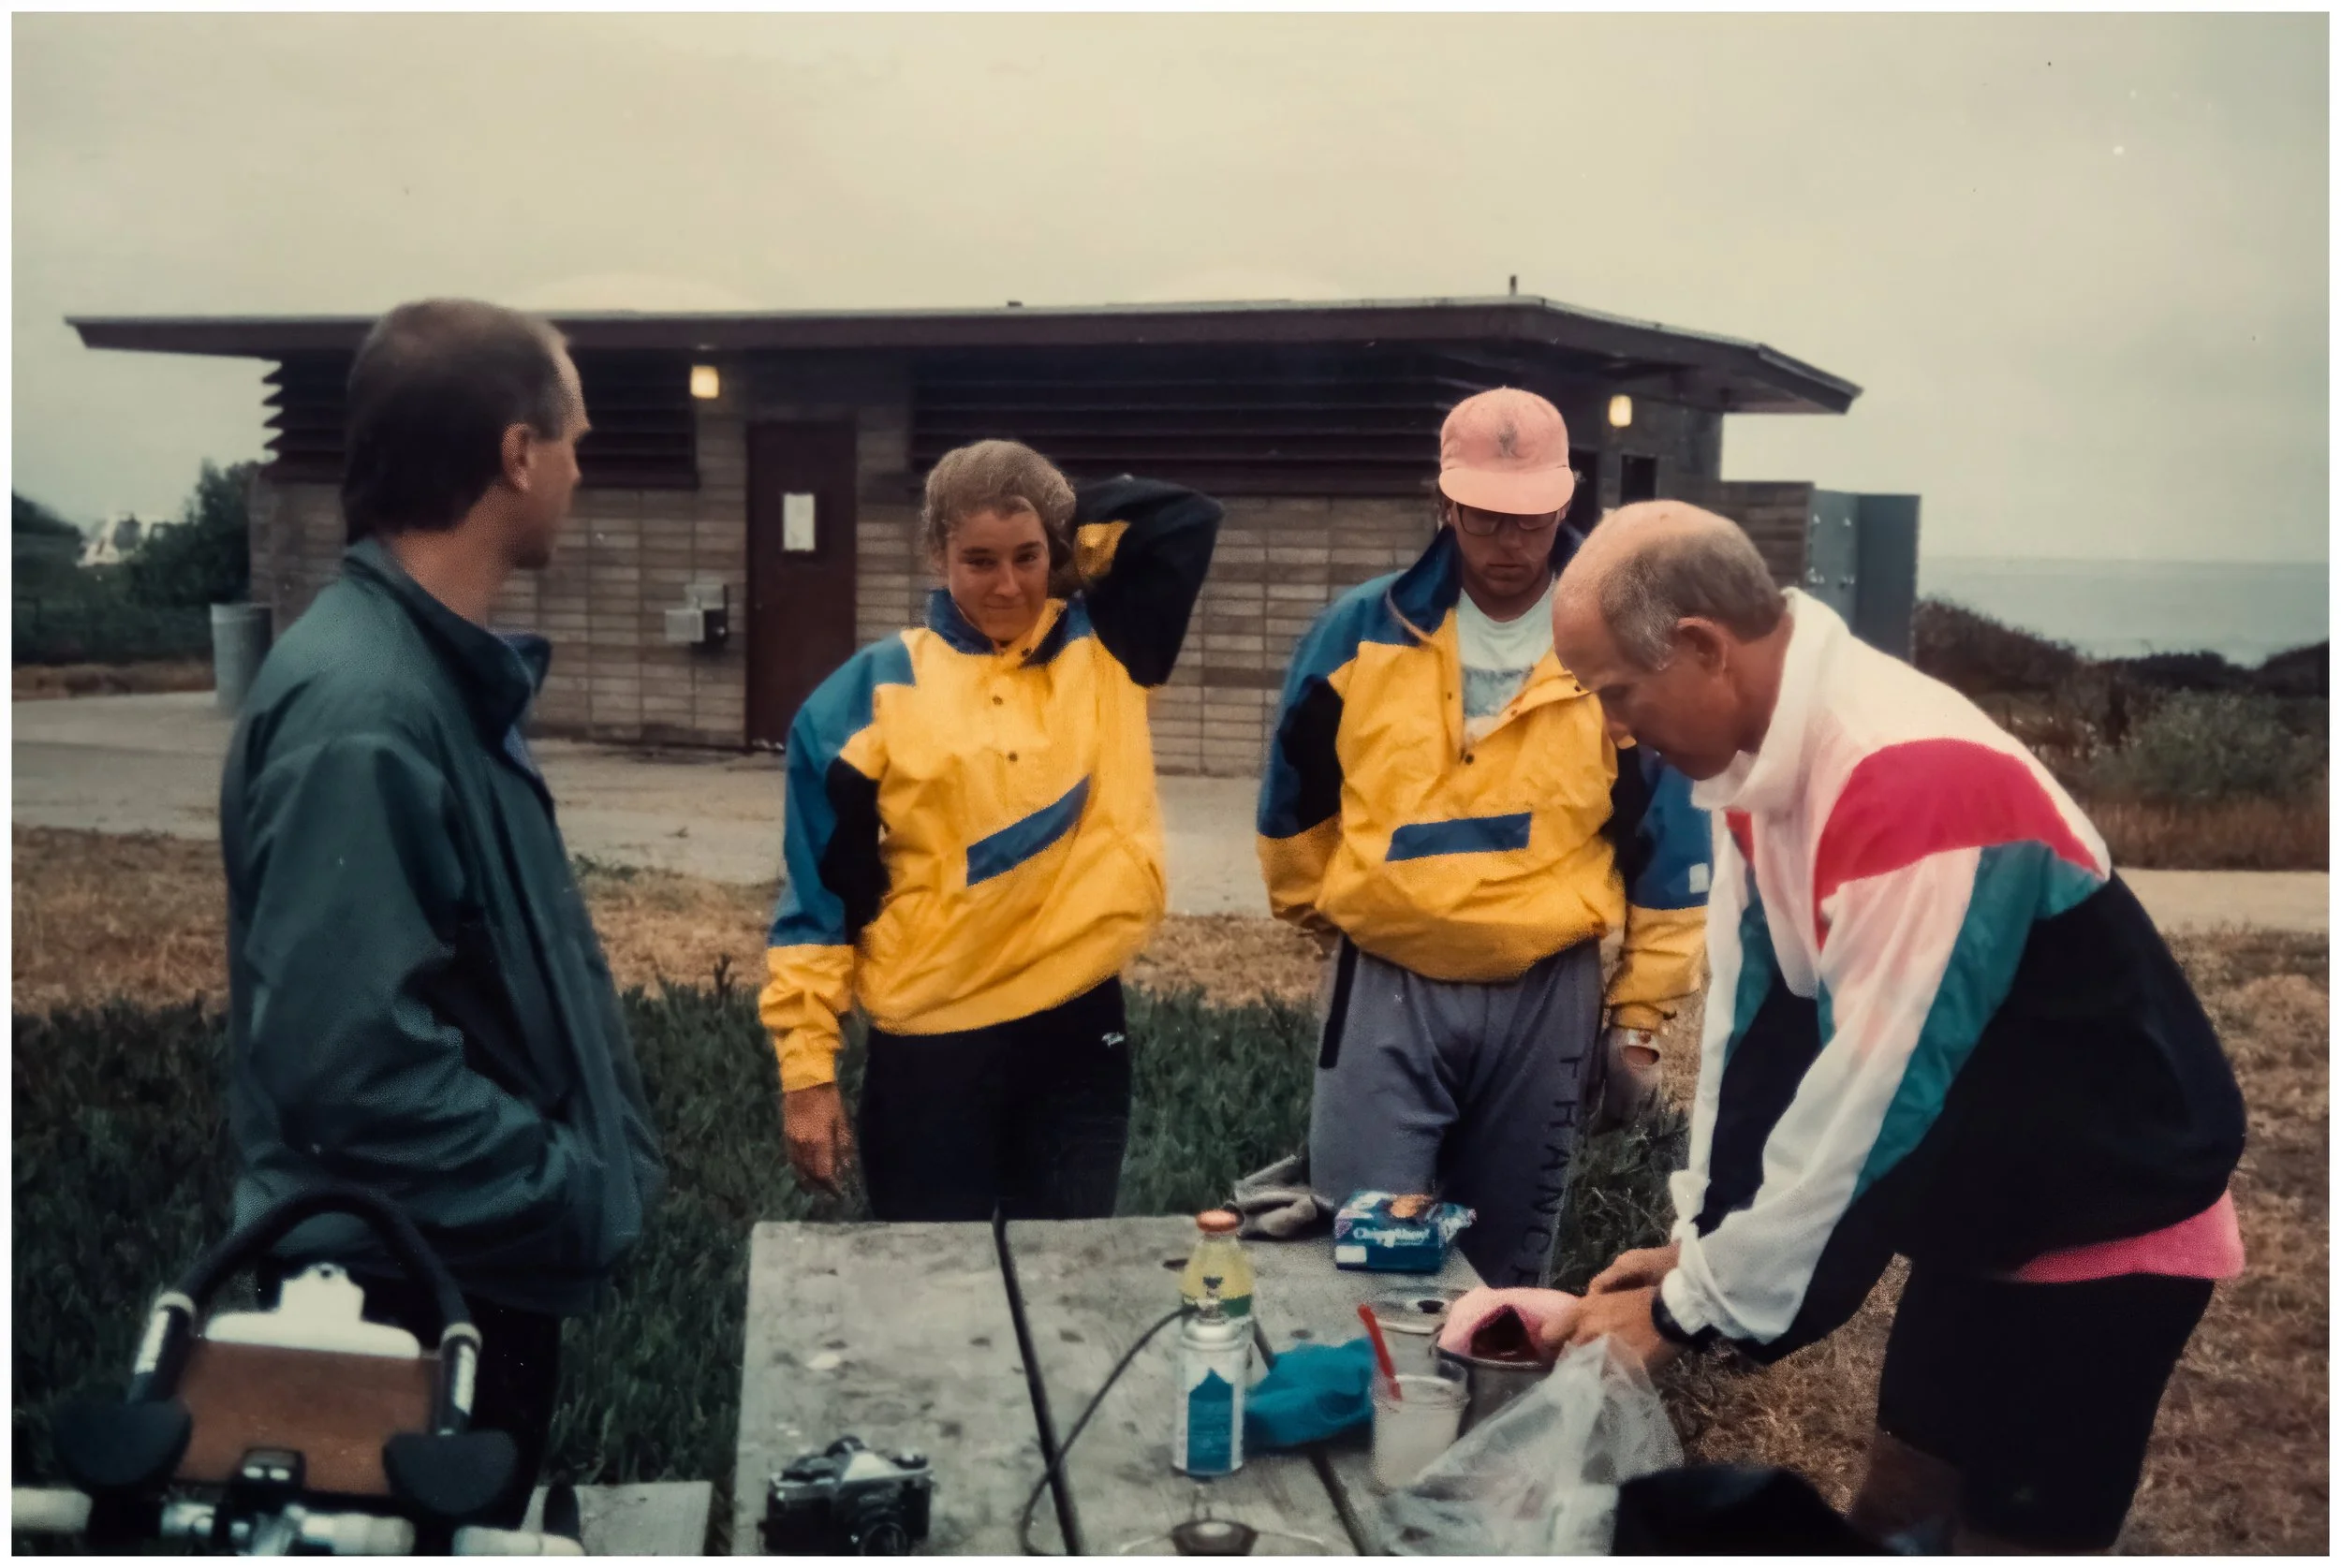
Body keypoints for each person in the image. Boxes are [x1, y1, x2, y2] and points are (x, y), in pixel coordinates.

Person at [1550, 501, 2246, 1553]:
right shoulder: (1759, 768)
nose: (1612, 729)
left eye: (1613, 694)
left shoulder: (1909, 777)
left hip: (2111, 1216)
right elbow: (1760, 1036)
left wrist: (1694, 1309)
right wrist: (1704, 1245)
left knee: (2010, 1542)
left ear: (1701, 648)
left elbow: (1872, 1106)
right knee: (1897, 1509)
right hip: (1983, 1202)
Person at [220, 300, 666, 1525]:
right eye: (573, 437)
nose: (580, 465)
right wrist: (567, 1182)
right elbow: (345, 1062)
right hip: (406, 1289)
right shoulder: (367, 708)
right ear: (518, 454)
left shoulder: (426, 673)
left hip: (454, 1266)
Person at [1255, 388, 1711, 1288]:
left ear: (1566, 504)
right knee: (1371, 1257)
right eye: (1486, 517)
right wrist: (1344, 925)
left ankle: (1487, 1427)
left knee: (1506, 1275)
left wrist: (1639, 1019)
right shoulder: (1353, 634)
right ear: (1445, 501)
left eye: (1533, 520)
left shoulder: (1628, 647)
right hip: (1388, 982)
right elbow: (1293, 807)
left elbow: (1669, 841)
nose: (1510, 544)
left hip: (1547, 996)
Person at [761, 440, 1222, 1220]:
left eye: (1028, 556)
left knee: (1067, 1296)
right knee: (937, 1306)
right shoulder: (863, 697)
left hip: (1077, 1028)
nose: (1008, 586)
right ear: (935, 553)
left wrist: (1063, 532)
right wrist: (807, 1076)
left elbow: (1182, 520)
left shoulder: (1110, 643)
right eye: (978, 559)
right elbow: (819, 906)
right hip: (932, 1046)